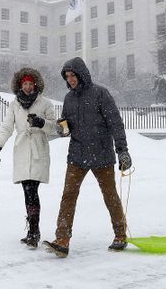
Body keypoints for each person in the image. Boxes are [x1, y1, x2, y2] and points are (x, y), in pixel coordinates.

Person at [43, 57, 132, 258]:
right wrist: (62, 128)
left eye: (73, 75)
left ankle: (120, 235)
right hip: (77, 154)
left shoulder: (100, 93)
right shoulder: (68, 98)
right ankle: (62, 239)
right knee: (68, 195)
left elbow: (115, 123)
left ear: (81, 74)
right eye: (67, 76)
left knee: (109, 195)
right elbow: (67, 127)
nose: (70, 79)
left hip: (101, 154)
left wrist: (122, 150)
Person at [0, 67, 59, 248]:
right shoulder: (14, 105)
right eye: (25, 84)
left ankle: (34, 231)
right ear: (20, 85)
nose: (28, 87)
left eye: (30, 83)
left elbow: (55, 127)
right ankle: (33, 230)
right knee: (27, 191)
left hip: (38, 149)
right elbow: (7, 127)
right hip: (21, 150)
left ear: (35, 84)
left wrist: (41, 123)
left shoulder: (45, 103)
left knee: (31, 190)